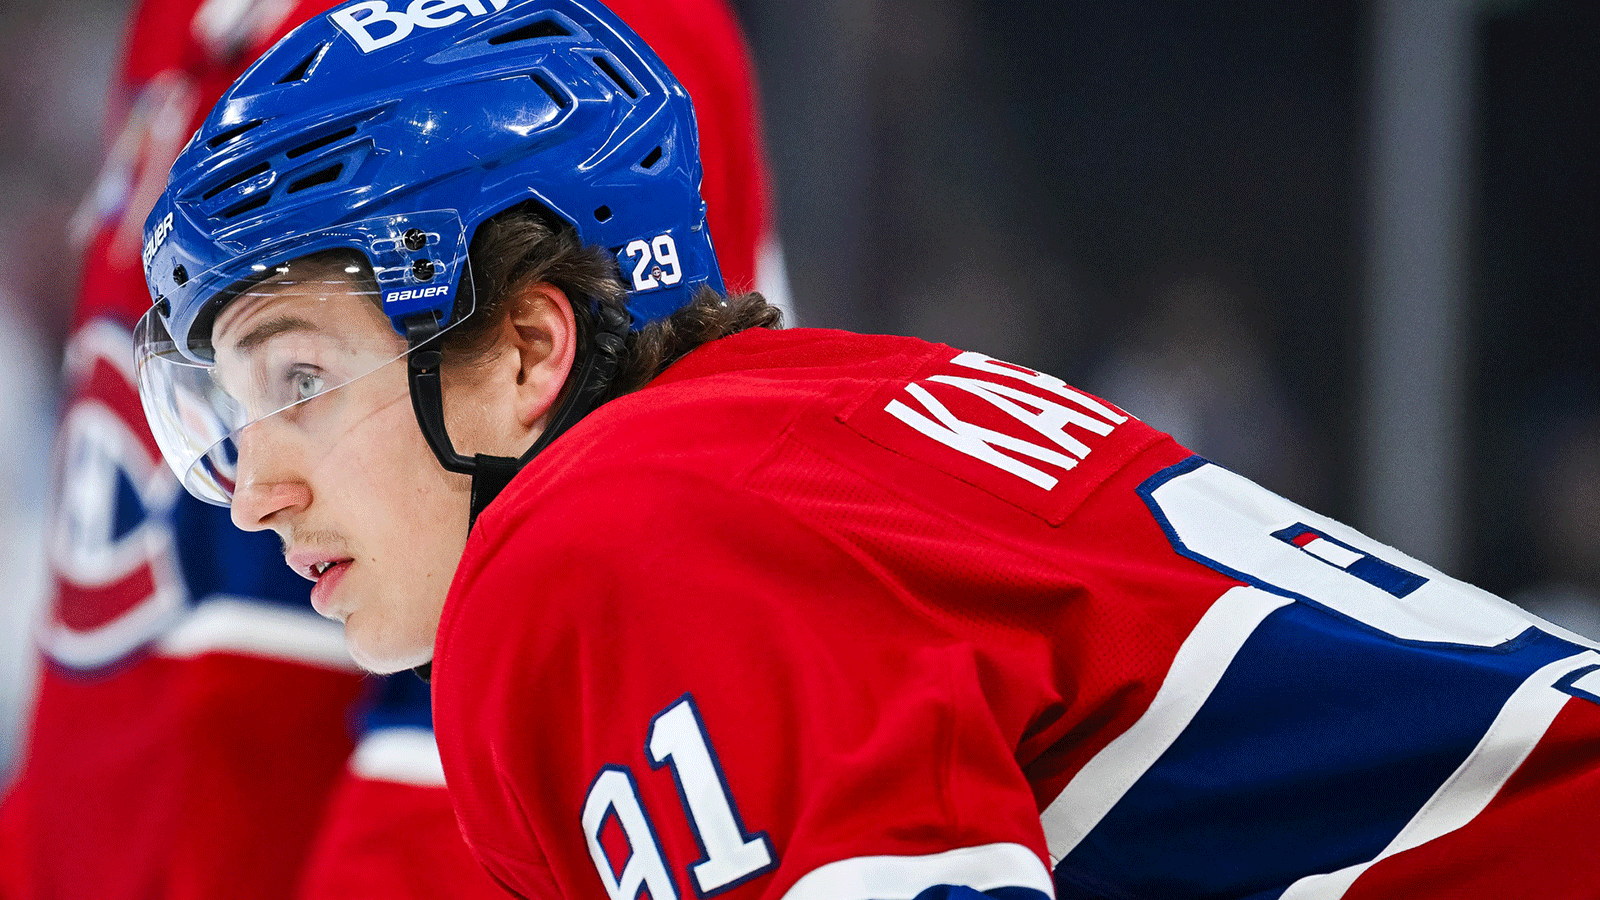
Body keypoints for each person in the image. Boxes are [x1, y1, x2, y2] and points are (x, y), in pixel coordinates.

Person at [134, 2, 1600, 899]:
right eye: (230, 405)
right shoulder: (794, 434)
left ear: (527, 353)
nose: (254, 487)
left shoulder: (619, 530)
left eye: (305, 376)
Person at [0, 0, 783, 897]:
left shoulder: (564, 40)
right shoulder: (182, 25)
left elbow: (570, 647)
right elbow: (108, 653)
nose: (252, 494)